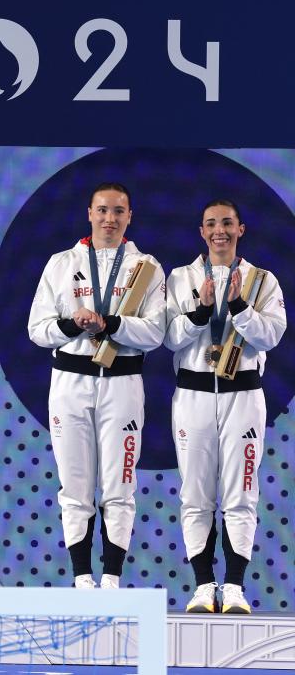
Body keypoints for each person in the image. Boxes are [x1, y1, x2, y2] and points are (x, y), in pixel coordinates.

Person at [28, 183, 166, 588]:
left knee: (120, 485)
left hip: (122, 384)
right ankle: (82, 577)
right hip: (70, 383)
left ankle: (112, 579)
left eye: (118, 211)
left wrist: (113, 324)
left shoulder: (146, 267)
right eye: (103, 210)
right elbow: (37, 330)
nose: (110, 219)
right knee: (75, 485)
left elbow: (155, 332)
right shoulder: (61, 263)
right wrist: (73, 324)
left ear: (130, 217)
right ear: (89, 213)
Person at [165, 200, 285, 613]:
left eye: (228, 223)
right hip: (193, 395)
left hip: (243, 396)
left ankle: (233, 587)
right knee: (195, 495)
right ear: (201, 231)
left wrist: (238, 307)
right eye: (212, 224)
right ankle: (203, 586)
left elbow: (271, 336)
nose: (220, 231)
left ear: (241, 229)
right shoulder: (180, 278)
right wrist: (201, 311)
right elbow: (168, 337)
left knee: (241, 493)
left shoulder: (262, 281)